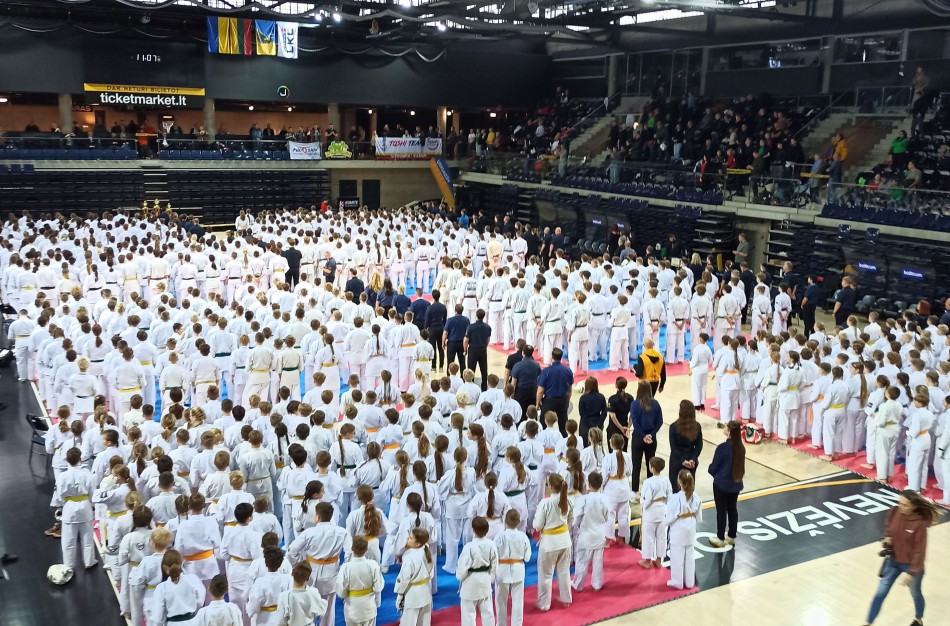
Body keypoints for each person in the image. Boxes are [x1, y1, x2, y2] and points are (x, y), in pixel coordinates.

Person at [862, 490, 940, 626]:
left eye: (904, 505)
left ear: (914, 506)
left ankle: (918, 619)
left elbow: (920, 551)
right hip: (893, 561)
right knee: (880, 593)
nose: (900, 507)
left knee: (915, 593)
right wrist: (887, 538)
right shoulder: (894, 511)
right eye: (899, 503)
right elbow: (888, 529)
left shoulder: (919, 524)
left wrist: (911, 573)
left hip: (911, 565)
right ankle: (868, 623)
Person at [532, 474, 573, 612]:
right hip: (565, 540)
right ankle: (566, 599)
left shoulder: (546, 503)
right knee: (564, 571)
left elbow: (537, 525)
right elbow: (571, 520)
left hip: (549, 543)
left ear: (550, 486)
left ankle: (544, 604)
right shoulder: (568, 500)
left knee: (546, 575)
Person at [707, 420, 745, 548]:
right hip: (735, 484)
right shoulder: (741, 448)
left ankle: (720, 537)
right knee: (732, 508)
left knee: (721, 511)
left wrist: (713, 471)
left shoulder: (722, 448)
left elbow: (713, 467)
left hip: (721, 485)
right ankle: (731, 535)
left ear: (729, 432)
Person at [456, 516, 498, 626]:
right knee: (488, 612)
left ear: (473, 530)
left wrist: (461, 577)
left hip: (470, 581)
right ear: (487, 530)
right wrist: (490, 577)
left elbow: (462, 568)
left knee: (468, 614)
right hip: (485, 580)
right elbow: (494, 565)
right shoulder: (491, 544)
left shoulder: (469, 547)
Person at [663, 470, 702, 590]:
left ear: (679, 482)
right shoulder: (696, 497)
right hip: (690, 529)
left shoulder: (675, 498)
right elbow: (699, 518)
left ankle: (677, 583)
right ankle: (690, 582)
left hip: (678, 530)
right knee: (690, 557)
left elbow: (669, 518)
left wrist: (664, 523)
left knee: (676, 558)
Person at [335, 536, 385, 626]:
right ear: (366, 549)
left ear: (352, 548)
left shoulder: (346, 567)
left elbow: (341, 592)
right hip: (369, 607)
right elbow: (378, 587)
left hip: (353, 608)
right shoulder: (373, 565)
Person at [572, 471, 608, 591]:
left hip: (586, 534)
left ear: (588, 484)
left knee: (582, 561)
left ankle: (578, 584)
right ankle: (597, 584)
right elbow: (608, 516)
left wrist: (574, 527)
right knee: (598, 561)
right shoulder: (604, 499)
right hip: (599, 534)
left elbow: (576, 518)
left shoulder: (584, 499)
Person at [494, 509, 531, 626]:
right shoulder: (523, 537)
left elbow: (494, 556)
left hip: (502, 571)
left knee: (500, 601)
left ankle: (501, 624)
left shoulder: (499, 537)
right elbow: (527, 558)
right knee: (517, 602)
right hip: (518, 570)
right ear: (519, 522)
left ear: (505, 521)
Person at [629, 380, 663, 494]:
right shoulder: (656, 403)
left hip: (638, 438)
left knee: (636, 465)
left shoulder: (634, 404)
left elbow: (635, 422)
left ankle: (634, 492)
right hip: (652, 439)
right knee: (651, 465)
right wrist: (651, 434)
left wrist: (643, 435)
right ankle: (650, 491)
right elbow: (660, 421)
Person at [638, 457, 672, 568]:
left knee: (649, 537)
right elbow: (669, 497)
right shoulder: (666, 480)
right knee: (661, 537)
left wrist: (640, 500)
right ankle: (658, 561)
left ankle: (647, 561)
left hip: (650, 513)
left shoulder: (648, 482)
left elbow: (646, 500)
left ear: (652, 468)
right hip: (662, 511)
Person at [535, 348, 574, 436]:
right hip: (562, 400)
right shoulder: (568, 371)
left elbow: (540, 390)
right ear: (561, 358)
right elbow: (569, 389)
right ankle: (564, 444)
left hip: (549, 401)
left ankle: (543, 442)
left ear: (552, 357)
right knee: (563, 426)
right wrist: (567, 401)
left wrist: (537, 403)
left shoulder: (546, 371)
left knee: (543, 424)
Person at [277, 561, 328, 626]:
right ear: (308, 578)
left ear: (292, 575)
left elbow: (281, 621)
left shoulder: (284, 596)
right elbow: (321, 610)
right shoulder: (313, 592)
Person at [668, 400, 703, 490]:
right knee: (689, 489)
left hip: (677, 461)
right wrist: (693, 459)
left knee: (675, 489)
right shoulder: (697, 426)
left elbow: (674, 447)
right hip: (691, 462)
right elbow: (699, 445)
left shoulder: (673, 427)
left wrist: (683, 460)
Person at [464, 309, 492, 391]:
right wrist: (485, 346)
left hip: (473, 349)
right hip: (483, 349)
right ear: (484, 316)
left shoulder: (471, 326)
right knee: (484, 369)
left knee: (471, 370)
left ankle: (470, 387)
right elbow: (488, 339)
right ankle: (484, 388)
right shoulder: (488, 327)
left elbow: (466, 340)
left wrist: (465, 350)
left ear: (476, 315)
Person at [509, 345, 541, 413]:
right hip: (533, 392)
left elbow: (513, 383)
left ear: (522, 352)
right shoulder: (537, 365)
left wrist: (511, 395)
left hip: (521, 393)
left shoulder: (518, 365)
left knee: (520, 413)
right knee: (532, 413)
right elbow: (538, 381)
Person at [577, 376, 607, 446]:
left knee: (585, 446)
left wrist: (588, 425)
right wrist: (599, 424)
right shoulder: (601, 397)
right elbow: (604, 412)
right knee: (597, 446)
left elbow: (582, 413)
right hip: (597, 422)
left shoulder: (583, 398)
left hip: (585, 425)